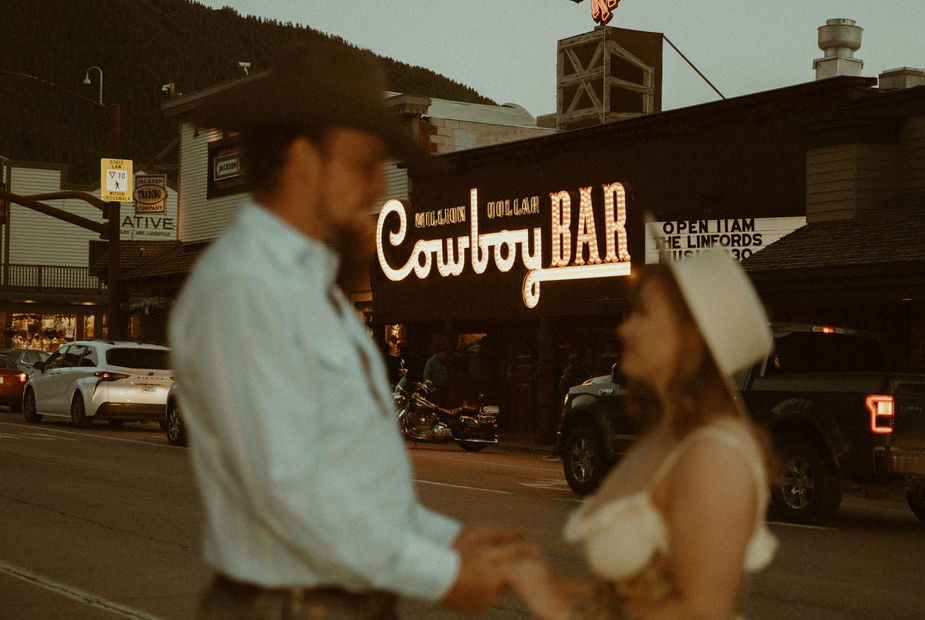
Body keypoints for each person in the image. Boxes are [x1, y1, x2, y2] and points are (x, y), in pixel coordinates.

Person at [169, 42, 524, 619]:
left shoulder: (307, 287)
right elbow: (289, 494)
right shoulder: (244, 289)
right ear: (304, 161)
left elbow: (347, 482)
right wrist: (441, 574)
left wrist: (444, 541)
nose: (380, 187)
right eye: (364, 164)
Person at [509, 249, 779, 619]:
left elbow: (702, 610)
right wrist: (533, 575)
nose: (624, 328)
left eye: (643, 313)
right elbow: (633, 593)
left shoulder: (714, 452)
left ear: (691, 337)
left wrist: (557, 606)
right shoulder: (666, 436)